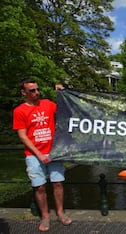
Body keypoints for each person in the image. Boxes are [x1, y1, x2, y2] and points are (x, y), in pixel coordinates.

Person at [12, 79, 72, 232]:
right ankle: (45, 216)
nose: (36, 93)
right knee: (39, 187)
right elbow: (23, 136)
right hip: (33, 154)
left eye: (37, 89)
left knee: (58, 183)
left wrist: (62, 93)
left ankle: (60, 212)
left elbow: (67, 110)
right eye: (32, 90)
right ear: (23, 92)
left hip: (54, 152)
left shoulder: (47, 104)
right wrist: (39, 154)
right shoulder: (19, 111)